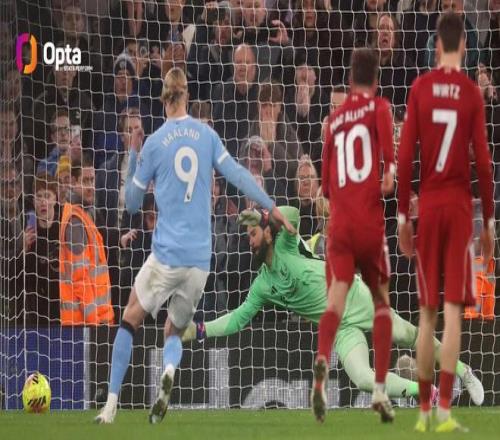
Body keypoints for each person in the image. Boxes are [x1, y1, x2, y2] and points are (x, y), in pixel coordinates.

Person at [95, 67, 294, 425]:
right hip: (201, 260)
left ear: (163, 98)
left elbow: (133, 205)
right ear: (186, 95)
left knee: (130, 318)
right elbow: (237, 174)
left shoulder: (155, 142)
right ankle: (169, 372)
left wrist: (134, 157)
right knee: (173, 329)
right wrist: (271, 206)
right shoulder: (207, 135)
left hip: (167, 254)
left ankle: (110, 405)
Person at [182, 206, 485, 406]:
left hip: (354, 296)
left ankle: (464, 372)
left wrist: (264, 211)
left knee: (408, 336)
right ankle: (426, 392)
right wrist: (199, 329)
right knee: (363, 379)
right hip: (340, 326)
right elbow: (237, 319)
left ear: (269, 232)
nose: (249, 241)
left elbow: (292, 213)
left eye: (253, 233)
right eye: (248, 235)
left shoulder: (287, 243)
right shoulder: (262, 285)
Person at [397, 12, 494, 433]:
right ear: (465, 47)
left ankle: (423, 410)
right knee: (453, 312)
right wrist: (488, 223)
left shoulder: (420, 87)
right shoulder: (471, 93)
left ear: (437, 45)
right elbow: (484, 164)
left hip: (430, 206)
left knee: (427, 314)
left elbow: (404, 156)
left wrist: (404, 214)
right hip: (458, 210)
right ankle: (443, 410)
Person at [314, 48, 396, 424]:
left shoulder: (334, 121)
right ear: (375, 79)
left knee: (334, 304)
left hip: (340, 228)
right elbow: (389, 176)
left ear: (350, 80)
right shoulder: (379, 108)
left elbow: (326, 190)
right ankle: (379, 389)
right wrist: (385, 176)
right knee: (381, 304)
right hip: (368, 225)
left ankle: (320, 371)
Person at [59, 155, 115, 326]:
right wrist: (94, 325)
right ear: (73, 182)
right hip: (86, 324)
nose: (90, 186)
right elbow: (80, 280)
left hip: (94, 320)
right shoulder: (75, 220)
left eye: (92, 180)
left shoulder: (84, 214)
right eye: (85, 181)